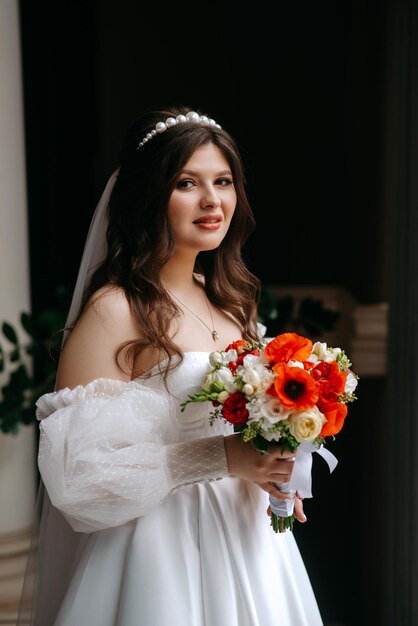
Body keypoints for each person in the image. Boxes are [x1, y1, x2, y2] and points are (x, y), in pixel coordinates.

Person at [19, 106, 324, 625]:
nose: (212, 200)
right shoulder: (116, 310)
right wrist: (220, 459)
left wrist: (278, 464)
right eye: (187, 182)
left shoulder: (235, 304)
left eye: (223, 181)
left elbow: (245, 429)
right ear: (149, 195)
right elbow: (78, 479)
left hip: (252, 548)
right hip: (158, 554)